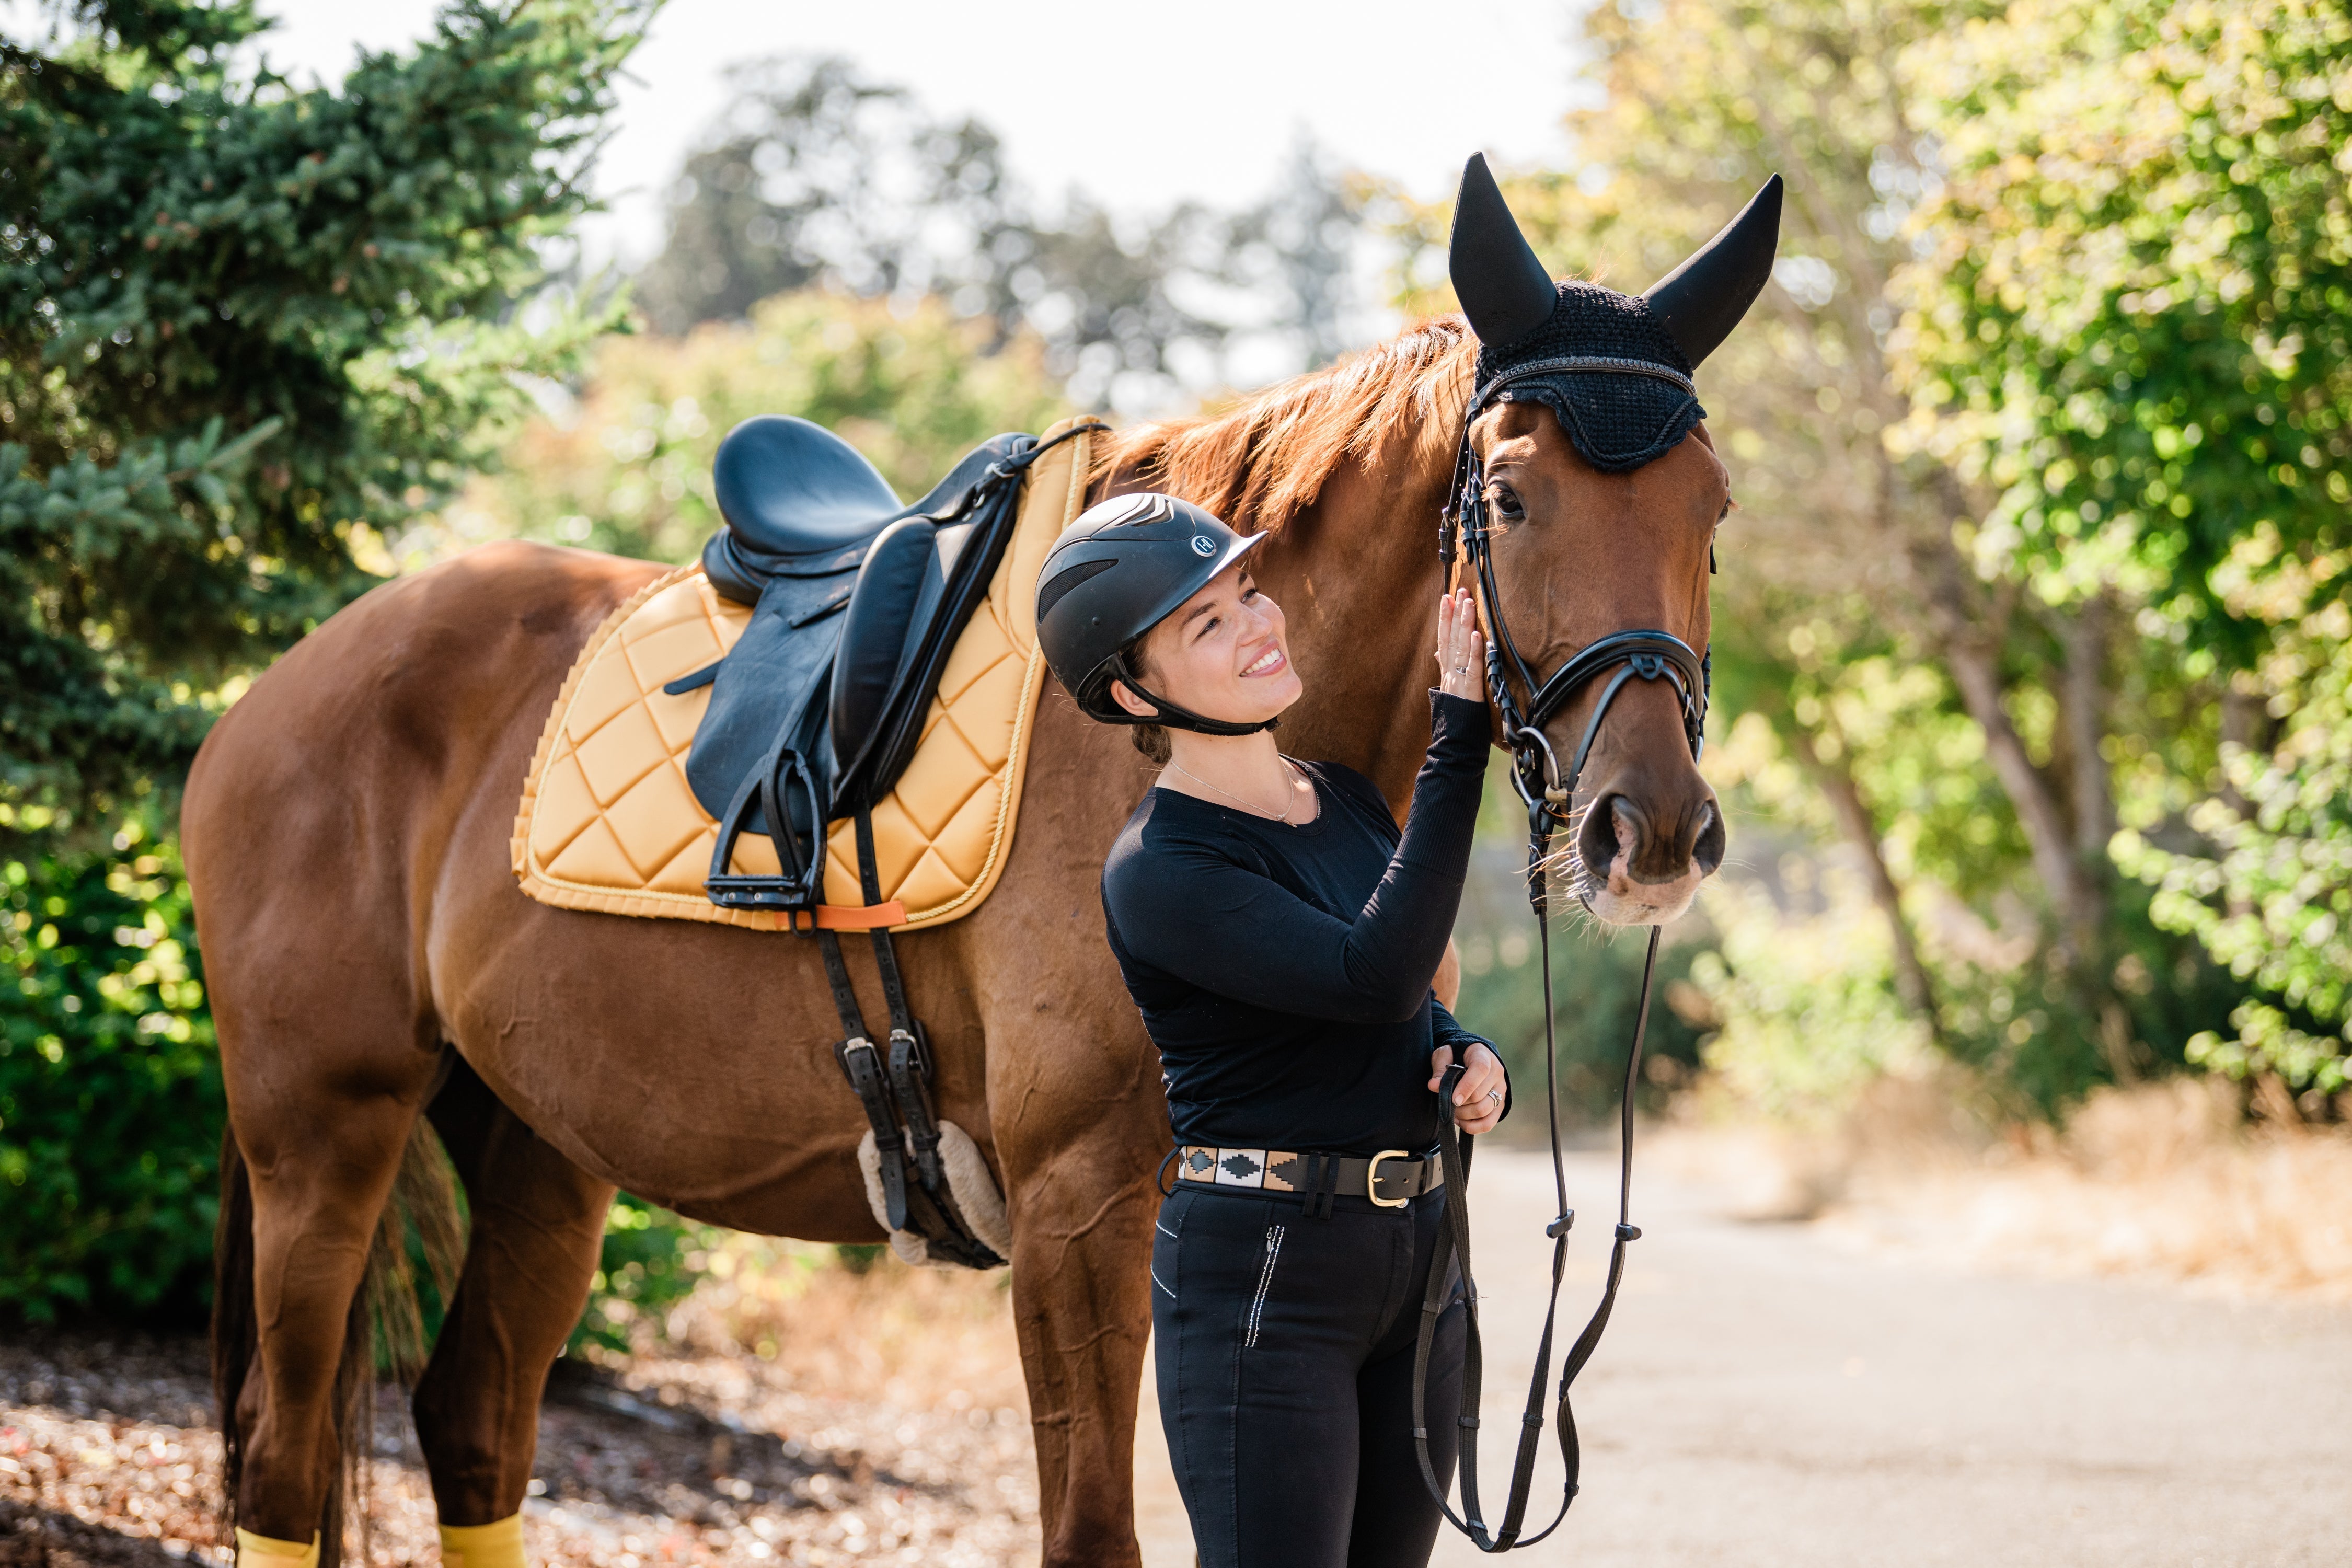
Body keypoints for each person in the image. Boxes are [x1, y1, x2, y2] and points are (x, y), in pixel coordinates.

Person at [1034, 491, 1506, 1568]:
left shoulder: (1341, 801)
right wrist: (1459, 733)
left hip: (1420, 1259)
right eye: (1208, 622)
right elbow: (1372, 977)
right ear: (1128, 689)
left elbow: (1404, 1006)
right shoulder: (1163, 869)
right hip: (1266, 1280)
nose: (1259, 624)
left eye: (1248, 591)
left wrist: (1473, 1053)